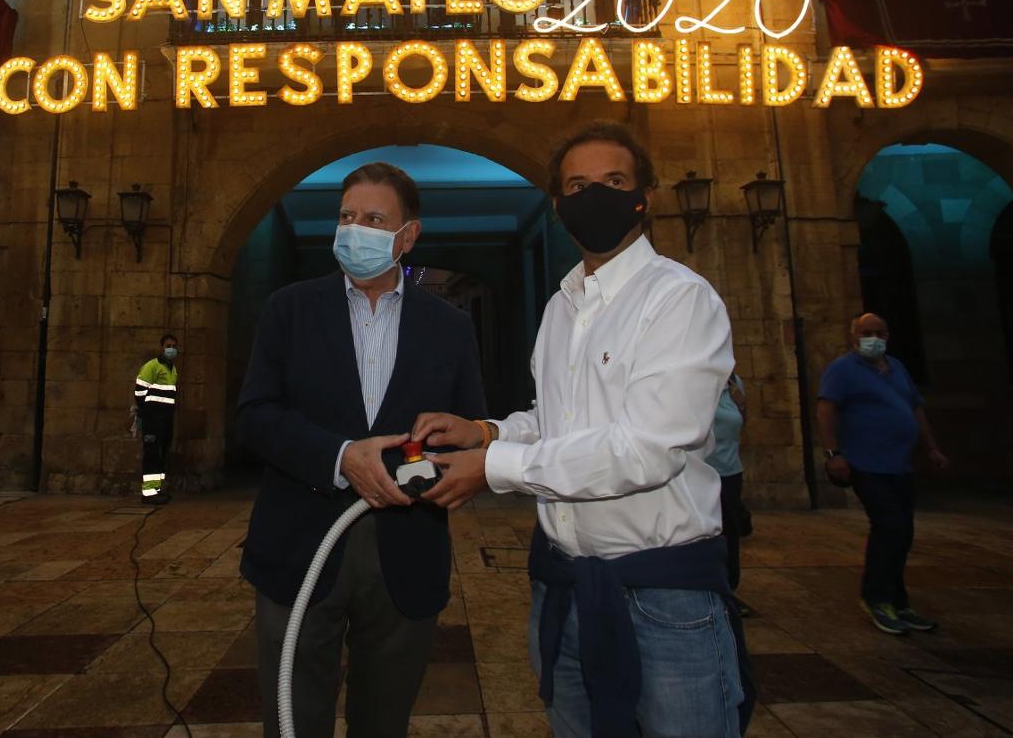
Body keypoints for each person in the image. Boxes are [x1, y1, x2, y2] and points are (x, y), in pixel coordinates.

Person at [412, 121, 753, 738]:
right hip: (564, 585)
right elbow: (558, 421)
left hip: (661, 594)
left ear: (643, 195)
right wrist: (486, 433)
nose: (595, 195)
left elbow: (645, 449)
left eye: (614, 181)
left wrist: (492, 470)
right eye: (578, 185)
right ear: (558, 205)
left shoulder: (679, 298)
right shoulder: (563, 303)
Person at [237, 161, 486, 738]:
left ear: (408, 236)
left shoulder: (449, 327)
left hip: (406, 553)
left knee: (384, 720)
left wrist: (461, 460)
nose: (356, 229)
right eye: (347, 217)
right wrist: (341, 455)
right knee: (293, 718)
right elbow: (256, 416)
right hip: (298, 547)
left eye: (375, 218)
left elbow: (472, 425)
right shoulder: (289, 310)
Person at [817, 312, 948, 635]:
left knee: (903, 531)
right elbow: (826, 408)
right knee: (889, 525)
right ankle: (876, 597)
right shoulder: (843, 370)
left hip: (899, 464)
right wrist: (834, 453)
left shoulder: (896, 368)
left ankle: (898, 599)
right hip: (866, 462)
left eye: (879, 332)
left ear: (888, 336)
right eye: (867, 332)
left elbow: (914, 408)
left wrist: (931, 447)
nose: (874, 337)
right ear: (853, 336)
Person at [708, 368, 750, 616]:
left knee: (730, 531)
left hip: (730, 470)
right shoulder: (694, 380)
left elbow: (743, 420)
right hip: (703, 470)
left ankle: (728, 590)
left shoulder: (734, 383)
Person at [131, 333, 179, 505]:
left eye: (174, 346)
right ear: (162, 347)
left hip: (166, 418)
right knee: (152, 453)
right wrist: (148, 411)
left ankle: (157, 489)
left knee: (162, 453)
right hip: (153, 418)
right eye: (168, 345)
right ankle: (149, 493)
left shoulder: (172, 369)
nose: (171, 349)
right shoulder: (152, 366)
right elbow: (139, 391)